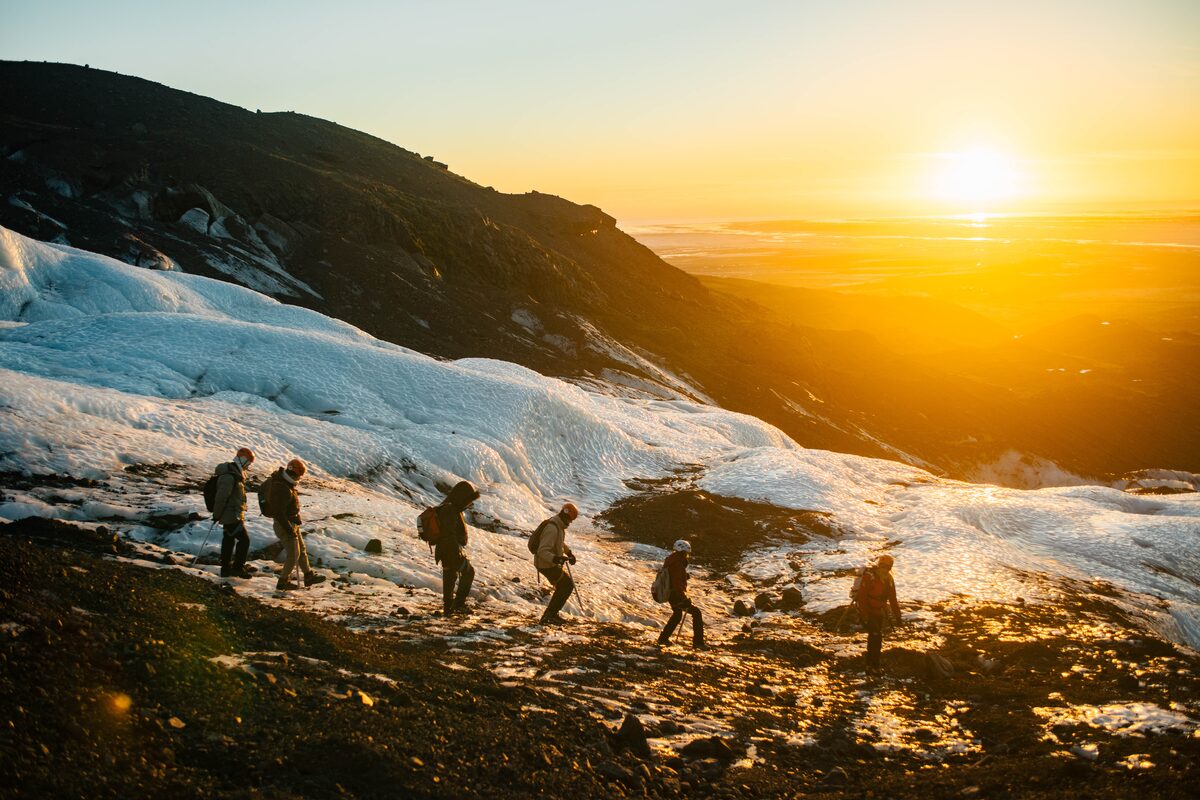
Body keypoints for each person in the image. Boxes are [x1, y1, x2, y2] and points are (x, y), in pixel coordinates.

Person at [268, 458, 326, 591]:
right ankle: (283, 581)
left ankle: (308, 575)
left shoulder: (287, 484)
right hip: (285, 525)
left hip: (291, 523)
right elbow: (279, 512)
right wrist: (288, 529)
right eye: (299, 475)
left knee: (301, 550)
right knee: (294, 554)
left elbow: (288, 508)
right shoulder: (281, 487)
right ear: (293, 472)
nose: (300, 478)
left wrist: (295, 518)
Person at [435, 481, 480, 615]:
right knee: (469, 572)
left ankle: (448, 605)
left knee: (450, 575)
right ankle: (459, 604)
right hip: (451, 550)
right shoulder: (450, 509)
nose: (468, 504)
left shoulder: (447, 507)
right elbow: (449, 534)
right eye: (468, 500)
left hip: (444, 550)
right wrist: (457, 552)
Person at [851, 554, 902, 671]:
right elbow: (862, 597)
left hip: (878, 612)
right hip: (868, 611)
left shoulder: (889, 580)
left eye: (887, 567)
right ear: (879, 565)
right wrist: (865, 615)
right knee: (875, 635)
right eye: (883, 566)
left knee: (876, 637)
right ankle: (871, 665)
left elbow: (892, 598)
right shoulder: (869, 577)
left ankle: (874, 665)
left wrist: (898, 616)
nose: (885, 569)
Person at [212, 447, 255, 578]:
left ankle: (225, 569)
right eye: (249, 462)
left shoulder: (235, 473)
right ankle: (237, 568)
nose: (249, 465)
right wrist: (217, 514)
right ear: (242, 460)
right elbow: (221, 496)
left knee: (229, 540)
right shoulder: (230, 475)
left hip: (232, 513)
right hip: (231, 515)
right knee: (244, 540)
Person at [533, 503, 579, 626]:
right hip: (545, 564)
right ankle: (549, 616)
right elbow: (542, 551)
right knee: (566, 586)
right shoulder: (552, 528)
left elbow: (560, 543)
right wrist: (556, 559)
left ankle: (550, 615)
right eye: (570, 519)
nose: (570, 522)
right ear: (565, 514)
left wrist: (569, 553)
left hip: (549, 563)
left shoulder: (558, 526)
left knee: (564, 586)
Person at [657, 539, 706, 649]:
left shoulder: (671, 560)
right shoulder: (678, 564)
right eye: (686, 553)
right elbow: (677, 583)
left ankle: (663, 638)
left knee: (677, 614)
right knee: (696, 613)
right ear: (683, 552)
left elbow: (673, 577)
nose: (687, 556)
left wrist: (684, 576)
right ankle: (698, 643)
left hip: (670, 593)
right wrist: (684, 598)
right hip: (676, 594)